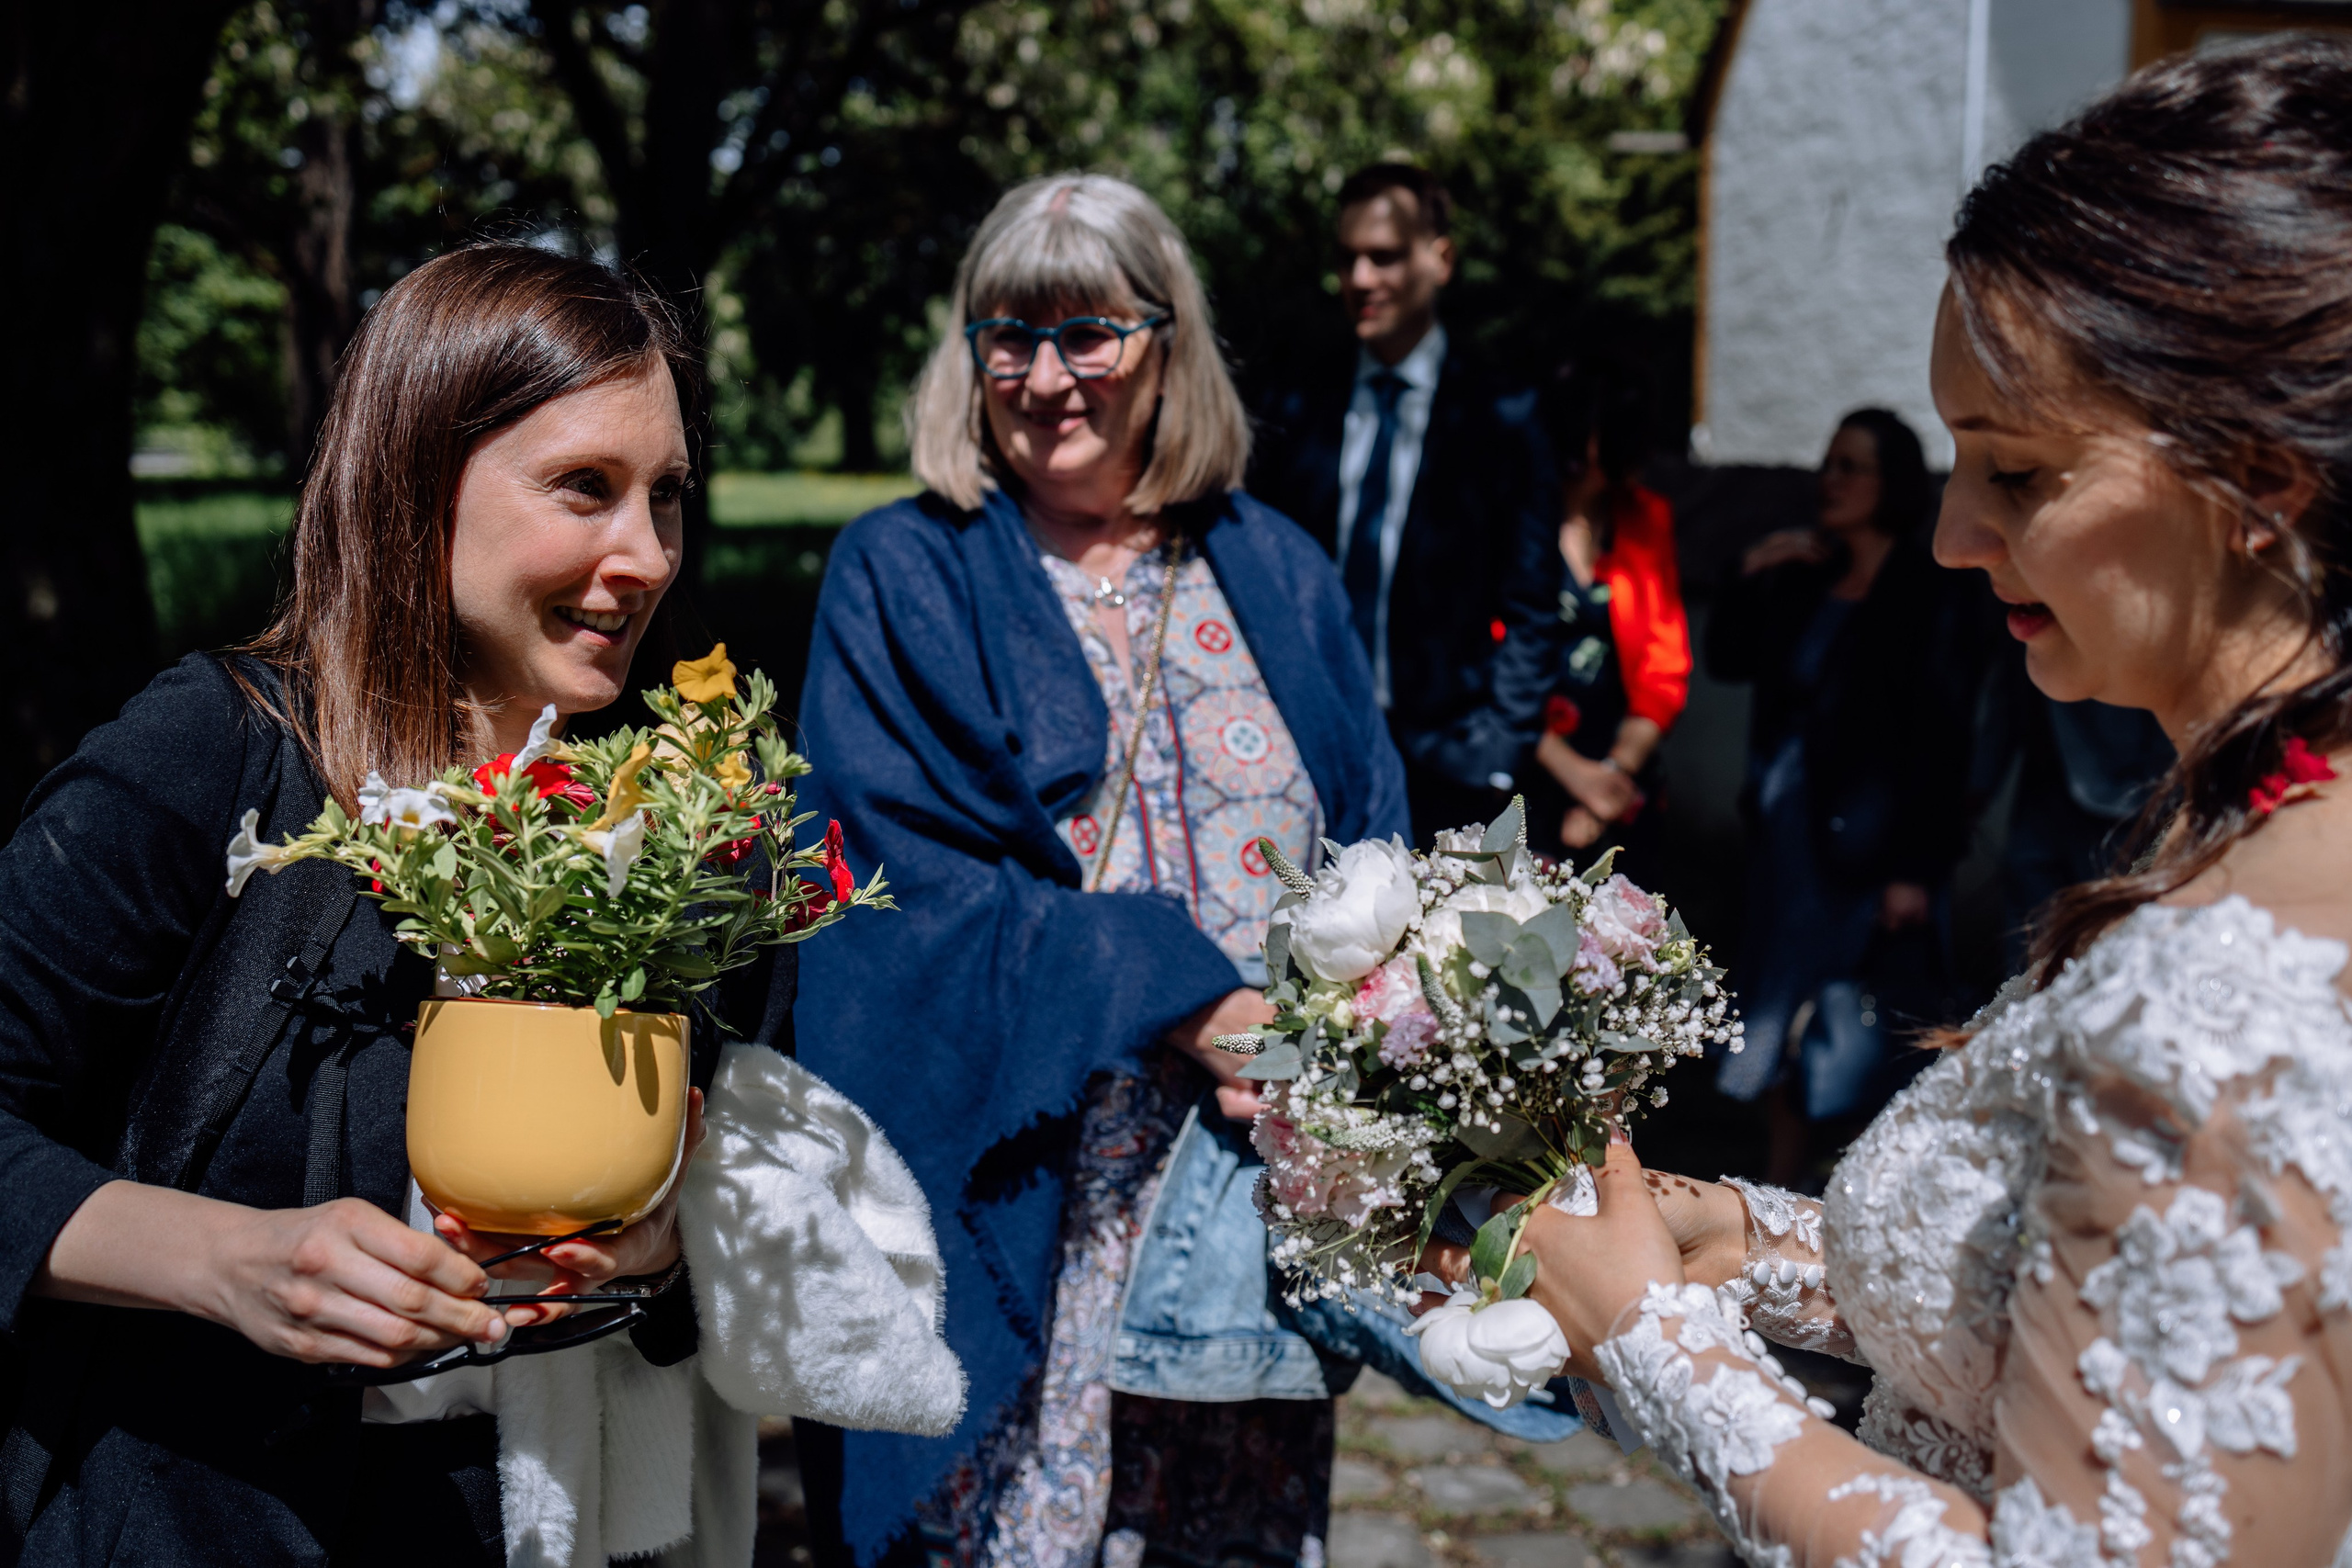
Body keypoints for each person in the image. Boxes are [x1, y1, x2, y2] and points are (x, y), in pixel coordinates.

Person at [1443, 35, 2352, 1564]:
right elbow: (2072, 1284)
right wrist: (1744, 1237)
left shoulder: (2221, 991)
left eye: (2014, 471)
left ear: (2260, 483)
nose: (1953, 533)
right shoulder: (2259, 824)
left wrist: (1654, 1344)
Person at [0, 243, 957, 1565]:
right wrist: (227, 1260)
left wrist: (674, 1233)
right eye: (585, 488)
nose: (645, 555)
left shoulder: (688, 826)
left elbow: (744, 1142)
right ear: (415, 483)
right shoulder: (221, 755)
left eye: (667, 495)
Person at [790, 175, 1409, 1568]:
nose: (1047, 376)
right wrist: (1187, 997)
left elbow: (1378, 835)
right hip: (1026, 1183)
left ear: (1165, 341)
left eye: (1089, 333)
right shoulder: (903, 571)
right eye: (1007, 336)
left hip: (1248, 1191)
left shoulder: (1279, 567)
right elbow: (895, 883)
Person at [1250, 164, 1566, 845]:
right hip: (1308, 749)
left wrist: (1502, 748)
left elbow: (1534, 600)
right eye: (1348, 258)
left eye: (1385, 256)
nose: (1361, 278)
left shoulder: (1505, 416)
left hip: (1450, 768)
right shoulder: (1296, 402)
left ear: (1441, 259)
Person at [1706, 408, 1974, 1182]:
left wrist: (1918, 870)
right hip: (1790, 838)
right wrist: (1752, 566)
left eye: (1851, 466)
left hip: (1874, 845)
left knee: (1857, 1023)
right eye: (1828, 463)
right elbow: (1727, 659)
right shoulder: (1805, 576)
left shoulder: (1927, 592)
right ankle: (1780, 1182)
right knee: (1780, 1019)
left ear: (1890, 482)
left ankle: (1861, 1183)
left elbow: (1941, 737)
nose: (1831, 479)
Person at [1529, 359, 1690, 868]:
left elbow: (1664, 670)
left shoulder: (1645, 519)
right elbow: (1484, 671)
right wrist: (1576, 774)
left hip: (1619, 781)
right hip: (1523, 772)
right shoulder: (1515, 521)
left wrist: (1609, 777)